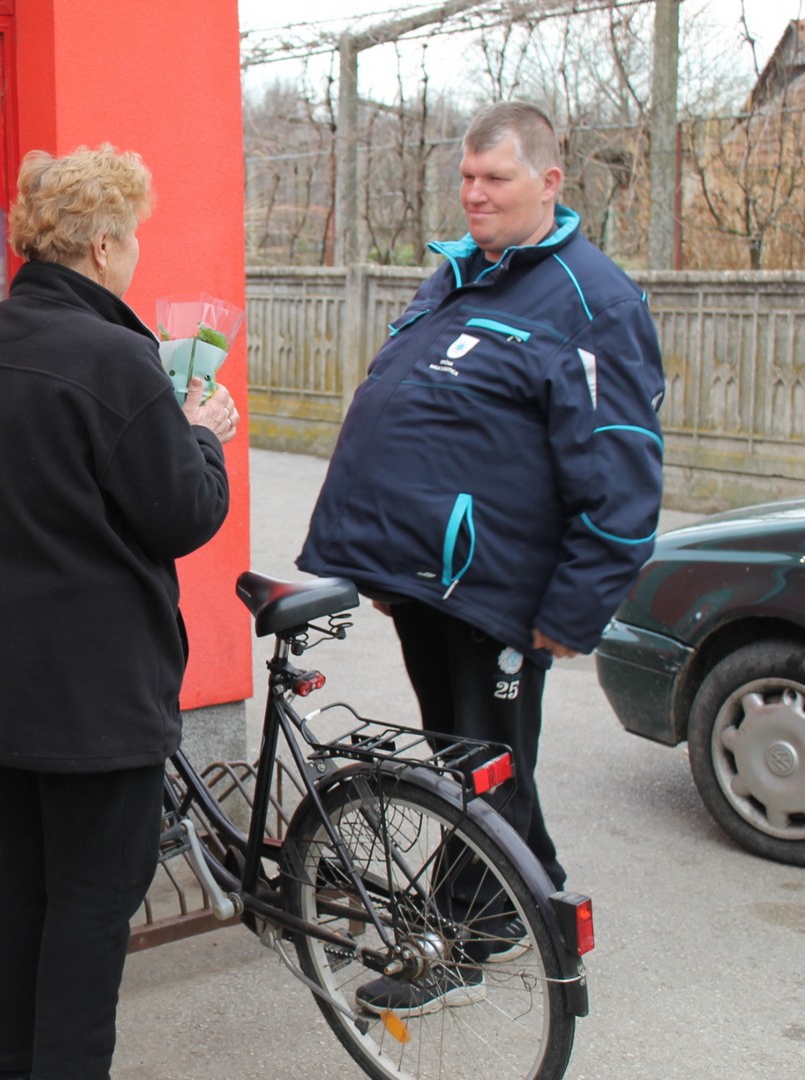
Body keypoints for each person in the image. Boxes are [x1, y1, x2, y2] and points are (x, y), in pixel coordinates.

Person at [297, 102, 664, 1016]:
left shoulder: (593, 299)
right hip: (430, 584)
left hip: (501, 593)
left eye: (494, 179)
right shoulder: (462, 275)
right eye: (466, 177)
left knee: (486, 770)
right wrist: (388, 567)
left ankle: (473, 933)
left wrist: (572, 610)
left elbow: (622, 476)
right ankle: (520, 901)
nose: (473, 195)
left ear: (550, 182)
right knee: (469, 764)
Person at [0, 144, 236, 1080]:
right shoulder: (118, 360)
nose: (137, 252)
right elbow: (182, 514)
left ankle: (8, 1064)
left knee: (28, 887)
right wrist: (201, 436)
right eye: (132, 235)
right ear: (102, 246)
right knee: (94, 909)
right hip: (95, 698)